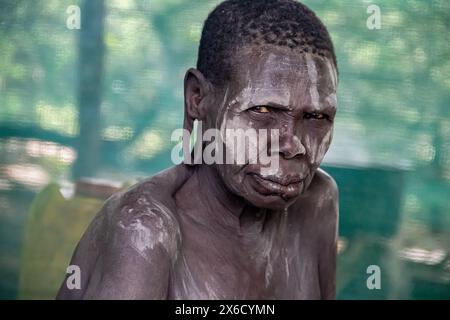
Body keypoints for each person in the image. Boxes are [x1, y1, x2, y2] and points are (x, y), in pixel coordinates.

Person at [57, 0, 339, 299]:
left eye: (317, 117)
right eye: (264, 110)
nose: (292, 145)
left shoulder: (317, 202)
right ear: (197, 98)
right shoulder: (144, 231)